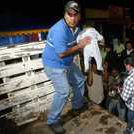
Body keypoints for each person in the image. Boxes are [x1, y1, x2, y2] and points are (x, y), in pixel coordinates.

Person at [42, 1, 91, 133]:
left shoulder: (77, 28)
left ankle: (77, 106)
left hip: (67, 63)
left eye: (75, 15)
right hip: (54, 64)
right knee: (63, 91)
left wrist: (91, 44)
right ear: (65, 14)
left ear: (79, 15)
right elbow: (62, 53)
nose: (73, 18)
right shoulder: (59, 29)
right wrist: (80, 46)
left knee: (80, 80)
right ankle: (52, 121)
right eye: (69, 14)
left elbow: (80, 43)